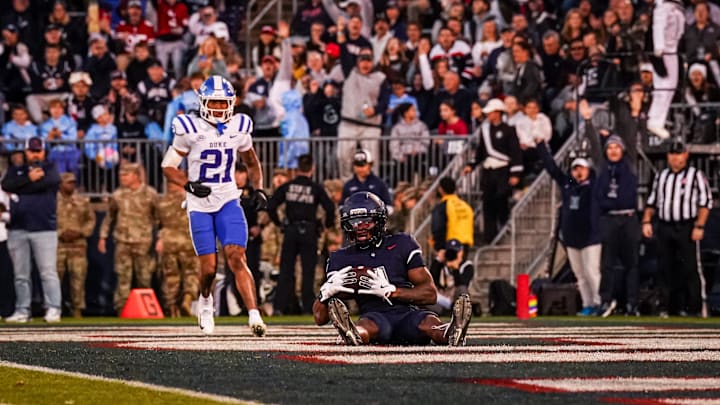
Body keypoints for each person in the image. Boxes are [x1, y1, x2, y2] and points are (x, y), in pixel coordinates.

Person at [161, 75, 268, 336]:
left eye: (223, 103)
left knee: (236, 255)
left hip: (228, 199)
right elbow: (168, 166)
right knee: (208, 268)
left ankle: (254, 314)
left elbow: (252, 163)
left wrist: (259, 188)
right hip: (199, 204)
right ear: (204, 102)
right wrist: (188, 185)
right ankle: (206, 302)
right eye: (215, 103)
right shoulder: (190, 127)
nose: (220, 108)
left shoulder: (239, 126)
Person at [312, 191, 472, 347]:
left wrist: (392, 291)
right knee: (366, 326)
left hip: (408, 314)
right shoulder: (340, 257)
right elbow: (319, 318)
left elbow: (430, 294)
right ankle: (353, 333)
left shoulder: (402, 244)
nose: (360, 227)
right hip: (374, 316)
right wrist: (325, 293)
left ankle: (451, 332)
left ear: (379, 220)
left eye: (366, 220)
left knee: (429, 323)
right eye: (354, 221)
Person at [642, 140, 713, 317]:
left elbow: (705, 202)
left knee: (689, 267)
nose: (675, 157)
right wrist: (646, 221)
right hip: (665, 225)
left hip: (687, 226)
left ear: (686, 155)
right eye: (672, 154)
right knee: (665, 267)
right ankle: (667, 306)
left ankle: (694, 307)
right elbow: (652, 201)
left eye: (679, 153)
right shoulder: (661, 176)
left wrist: (699, 225)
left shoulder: (695, 175)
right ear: (668, 156)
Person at [537, 135, 602, 316]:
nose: (578, 173)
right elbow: (553, 170)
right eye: (575, 169)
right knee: (580, 275)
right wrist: (541, 147)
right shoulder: (569, 185)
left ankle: (599, 302)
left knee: (591, 271)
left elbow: (600, 165)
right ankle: (588, 303)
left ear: (589, 170)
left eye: (582, 169)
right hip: (572, 238)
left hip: (590, 236)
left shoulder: (593, 186)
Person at [2, 137, 62, 323]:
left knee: (48, 272)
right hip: (18, 227)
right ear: (26, 152)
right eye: (32, 151)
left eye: (38, 151)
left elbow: (49, 182)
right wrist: (29, 179)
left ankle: (53, 308)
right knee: (21, 274)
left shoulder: (51, 168)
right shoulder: (16, 170)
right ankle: (22, 310)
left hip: (44, 227)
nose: (35, 154)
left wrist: (23, 186)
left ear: (44, 151)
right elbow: (6, 185)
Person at [267, 154, 336, 315]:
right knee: (308, 272)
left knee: (285, 270)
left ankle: (279, 307)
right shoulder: (316, 188)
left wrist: (279, 223)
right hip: (310, 232)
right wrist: (326, 225)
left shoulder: (288, 186)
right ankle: (307, 308)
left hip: (291, 230)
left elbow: (271, 205)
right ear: (312, 168)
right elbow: (330, 208)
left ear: (297, 169)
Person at [99, 163, 159, 313]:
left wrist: (160, 237)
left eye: (126, 175)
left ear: (136, 176)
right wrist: (102, 237)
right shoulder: (118, 195)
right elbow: (110, 217)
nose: (122, 178)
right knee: (122, 277)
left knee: (144, 277)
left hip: (143, 242)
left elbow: (158, 218)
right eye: (121, 175)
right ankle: (122, 309)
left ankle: (147, 310)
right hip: (122, 241)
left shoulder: (150, 194)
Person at [462, 99, 522, 243]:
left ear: (498, 113)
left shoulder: (509, 130)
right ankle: (489, 237)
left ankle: (504, 230)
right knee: (487, 204)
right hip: (488, 171)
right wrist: (472, 164)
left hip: (502, 170)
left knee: (501, 201)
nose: (488, 115)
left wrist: (516, 173)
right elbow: (481, 151)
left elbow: (515, 152)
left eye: (491, 112)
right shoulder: (485, 130)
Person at [593, 133, 640, 317]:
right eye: (610, 147)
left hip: (628, 219)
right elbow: (599, 198)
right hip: (610, 219)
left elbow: (627, 198)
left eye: (616, 147)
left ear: (622, 149)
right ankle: (606, 301)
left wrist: (612, 202)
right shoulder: (602, 171)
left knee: (632, 263)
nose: (613, 151)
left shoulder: (629, 168)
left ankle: (632, 303)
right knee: (607, 264)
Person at [156, 177, 199, 318]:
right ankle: (187, 299)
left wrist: (160, 239)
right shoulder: (192, 199)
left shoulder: (162, 203)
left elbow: (158, 223)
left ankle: (173, 309)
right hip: (189, 242)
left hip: (169, 243)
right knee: (192, 274)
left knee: (171, 278)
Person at [56, 172, 95, 318]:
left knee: (78, 278)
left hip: (78, 245)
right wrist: (60, 232)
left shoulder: (82, 201)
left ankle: (77, 309)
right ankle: (55, 308)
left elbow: (91, 220)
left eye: (73, 182)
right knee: (55, 278)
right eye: (68, 182)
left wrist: (81, 232)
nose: (71, 185)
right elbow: (47, 220)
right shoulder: (53, 201)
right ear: (60, 184)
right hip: (58, 244)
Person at [646, 0, 685, 140]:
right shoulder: (662, 7)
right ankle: (654, 120)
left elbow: (678, 30)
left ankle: (659, 120)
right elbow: (658, 26)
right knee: (663, 86)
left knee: (671, 87)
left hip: (672, 50)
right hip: (664, 51)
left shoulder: (676, 8)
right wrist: (659, 48)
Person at [428, 239, 475, 316]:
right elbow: (431, 280)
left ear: (461, 252)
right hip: (443, 299)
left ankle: (459, 312)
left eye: (455, 252)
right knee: (424, 296)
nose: (452, 255)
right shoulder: (441, 265)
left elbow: (463, 284)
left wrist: (455, 269)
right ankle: (446, 313)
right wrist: (437, 260)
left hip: (457, 299)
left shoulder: (467, 266)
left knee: (462, 289)